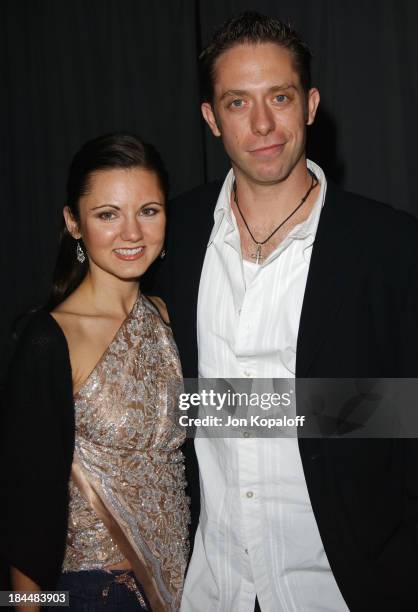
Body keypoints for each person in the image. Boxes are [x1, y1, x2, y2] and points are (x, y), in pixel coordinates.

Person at [152, 11, 418, 612]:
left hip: (339, 591)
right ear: (210, 118)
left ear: (311, 104)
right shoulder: (171, 236)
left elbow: (405, 418)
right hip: (210, 590)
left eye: (279, 96)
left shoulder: (391, 249)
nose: (264, 124)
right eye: (238, 103)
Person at [0, 133, 189, 612]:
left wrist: (372, 412)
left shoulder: (168, 318)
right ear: (74, 223)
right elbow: (26, 506)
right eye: (108, 214)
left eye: (148, 210)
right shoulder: (51, 339)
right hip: (91, 593)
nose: (132, 233)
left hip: (188, 585)